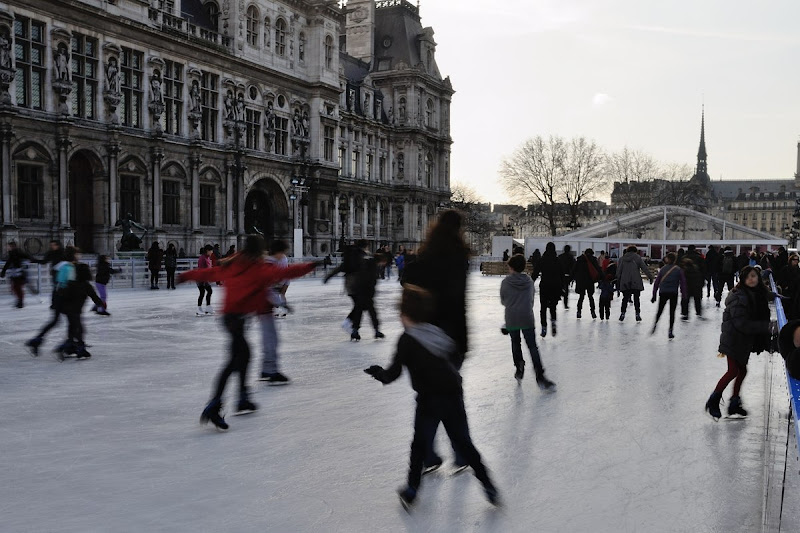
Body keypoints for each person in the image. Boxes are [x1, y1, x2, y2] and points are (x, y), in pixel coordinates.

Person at [363, 285, 500, 510]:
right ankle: (489, 487)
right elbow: (455, 357)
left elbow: (392, 375)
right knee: (464, 444)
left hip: (429, 400)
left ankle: (412, 490)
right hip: (453, 395)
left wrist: (377, 372)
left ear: (405, 315)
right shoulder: (437, 332)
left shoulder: (407, 340)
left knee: (419, 446)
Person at [179, 235, 319, 430]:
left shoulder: (234, 263)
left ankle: (242, 398)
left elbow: (210, 274)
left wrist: (186, 276)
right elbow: (287, 272)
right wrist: (312, 265)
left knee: (243, 357)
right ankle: (215, 405)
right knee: (234, 361)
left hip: (230, 319)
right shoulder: (258, 269)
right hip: (236, 319)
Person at [400, 210, 470, 473]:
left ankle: (430, 455)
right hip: (451, 336)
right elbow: (458, 303)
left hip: (426, 335)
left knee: (429, 398)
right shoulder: (459, 258)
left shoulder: (426, 257)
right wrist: (462, 341)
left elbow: (407, 280)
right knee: (451, 397)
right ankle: (459, 453)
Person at [705, 266, 776, 420]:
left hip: (743, 340)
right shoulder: (739, 297)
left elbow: (764, 295)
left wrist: (776, 295)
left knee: (742, 371)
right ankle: (713, 401)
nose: (752, 279)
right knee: (733, 371)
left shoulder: (756, 293)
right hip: (733, 339)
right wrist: (767, 326)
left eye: (754, 276)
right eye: (748, 277)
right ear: (743, 279)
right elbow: (742, 324)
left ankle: (734, 403)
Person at [501, 254, 557, 388]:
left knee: (515, 342)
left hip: (512, 317)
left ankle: (519, 365)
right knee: (532, 346)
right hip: (526, 316)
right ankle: (540, 375)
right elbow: (531, 299)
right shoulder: (529, 281)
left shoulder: (506, 282)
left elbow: (503, 300)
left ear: (512, 267)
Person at [325, 240, 385, 341]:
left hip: (353, 286)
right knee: (366, 309)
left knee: (359, 308)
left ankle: (355, 329)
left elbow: (342, 267)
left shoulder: (353, 255)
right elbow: (371, 276)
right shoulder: (364, 257)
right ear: (365, 246)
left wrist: (329, 276)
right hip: (362, 286)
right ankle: (368, 329)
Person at [25, 246, 78, 356]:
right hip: (63, 298)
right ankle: (67, 346)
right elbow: (66, 284)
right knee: (72, 322)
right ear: (73, 255)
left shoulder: (62, 265)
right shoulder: (68, 267)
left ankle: (37, 340)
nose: (79, 256)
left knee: (57, 321)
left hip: (58, 297)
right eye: (77, 254)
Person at [258, 240, 293, 385]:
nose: (284, 255)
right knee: (271, 339)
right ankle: (271, 371)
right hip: (263, 306)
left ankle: (267, 369)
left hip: (264, 307)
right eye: (283, 252)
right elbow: (265, 288)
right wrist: (281, 303)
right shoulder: (269, 264)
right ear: (278, 252)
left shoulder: (268, 262)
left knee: (269, 338)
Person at [56, 261, 104, 360]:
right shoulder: (86, 285)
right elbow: (94, 296)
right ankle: (73, 348)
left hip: (67, 309)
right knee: (79, 329)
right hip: (74, 310)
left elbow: (62, 293)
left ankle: (70, 348)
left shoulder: (71, 282)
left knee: (73, 328)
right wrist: (100, 304)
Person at [650, 252, 687, 339]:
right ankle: (670, 330)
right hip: (673, 293)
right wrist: (684, 295)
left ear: (667, 259)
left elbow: (657, 283)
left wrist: (654, 294)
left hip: (663, 292)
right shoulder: (678, 270)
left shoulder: (663, 269)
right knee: (672, 312)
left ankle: (655, 323)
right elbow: (683, 283)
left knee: (660, 310)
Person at [531, 242, 564, 337]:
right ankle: (553, 322)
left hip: (545, 285)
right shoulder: (557, 260)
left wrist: (530, 282)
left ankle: (544, 327)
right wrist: (562, 286)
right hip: (555, 286)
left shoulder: (542, 260)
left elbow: (535, 272)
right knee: (553, 307)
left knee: (543, 307)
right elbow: (562, 274)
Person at [617, 245, 653, 322]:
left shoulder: (622, 259)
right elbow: (644, 268)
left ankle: (622, 313)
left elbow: (618, 271)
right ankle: (637, 314)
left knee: (625, 298)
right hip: (635, 281)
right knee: (636, 299)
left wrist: (618, 280)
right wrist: (650, 277)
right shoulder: (637, 258)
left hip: (625, 281)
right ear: (635, 251)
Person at [572, 248, 601, 319]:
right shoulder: (593, 259)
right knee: (590, 297)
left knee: (581, 297)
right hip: (590, 281)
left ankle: (579, 311)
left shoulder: (579, 259)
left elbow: (574, 270)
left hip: (581, 281)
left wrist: (573, 278)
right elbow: (598, 269)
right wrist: (602, 278)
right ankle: (593, 312)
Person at [34, 240, 65, 308]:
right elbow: (45, 261)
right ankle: (54, 303)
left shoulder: (63, 252)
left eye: (53, 245)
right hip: (55, 273)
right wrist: (35, 260)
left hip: (63, 272)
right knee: (55, 288)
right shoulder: (51, 253)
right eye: (51, 245)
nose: (52, 246)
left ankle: (62, 302)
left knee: (62, 288)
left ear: (58, 245)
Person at [1, 241, 31, 308]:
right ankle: (19, 300)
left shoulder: (17, 253)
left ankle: (20, 302)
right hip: (14, 273)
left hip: (19, 273)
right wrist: (3, 271)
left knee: (17, 288)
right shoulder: (12, 253)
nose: (7, 248)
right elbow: (8, 263)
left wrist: (25, 265)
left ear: (13, 246)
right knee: (14, 288)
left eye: (9, 246)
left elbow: (28, 257)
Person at [681, 244, 705, 319]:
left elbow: (680, 270)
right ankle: (698, 311)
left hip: (686, 280)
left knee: (685, 298)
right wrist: (703, 280)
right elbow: (704, 269)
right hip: (697, 280)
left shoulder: (684, 257)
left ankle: (685, 313)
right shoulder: (699, 257)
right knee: (697, 298)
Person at [196, 245, 214, 316]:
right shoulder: (202, 258)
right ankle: (198, 309)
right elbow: (201, 269)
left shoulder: (207, 258)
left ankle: (208, 307)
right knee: (202, 292)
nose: (212, 252)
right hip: (201, 278)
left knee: (209, 291)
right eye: (211, 250)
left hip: (205, 278)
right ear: (207, 251)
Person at [557, 245, 576, 309]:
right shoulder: (571, 257)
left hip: (560, 275)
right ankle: (565, 304)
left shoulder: (560, 257)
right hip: (568, 276)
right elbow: (573, 267)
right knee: (566, 290)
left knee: (559, 287)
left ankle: (556, 300)